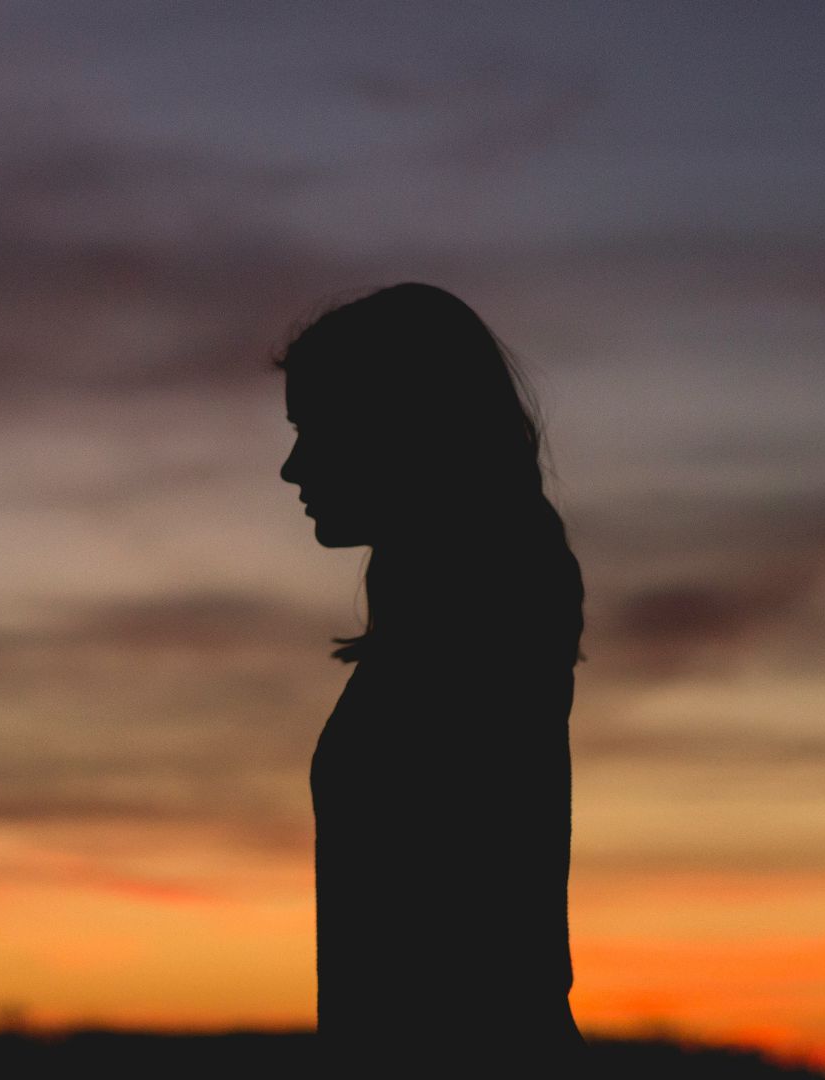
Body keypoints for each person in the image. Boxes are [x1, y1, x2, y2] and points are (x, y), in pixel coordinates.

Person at [276, 283, 589, 1073]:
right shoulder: (453, 628)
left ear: (397, 429)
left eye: (315, 430)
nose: (293, 466)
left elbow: (456, 956)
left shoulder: (480, 634)